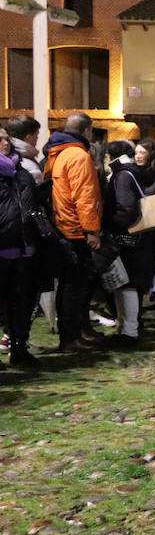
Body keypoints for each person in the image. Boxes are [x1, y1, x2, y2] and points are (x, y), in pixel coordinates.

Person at [44, 113, 104, 352]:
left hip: (62, 226)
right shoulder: (78, 155)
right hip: (75, 229)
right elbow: (85, 196)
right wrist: (91, 230)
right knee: (75, 287)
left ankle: (75, 333)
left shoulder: (56, 153)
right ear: (87, 130)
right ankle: (72, 337)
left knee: (70, 286)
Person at [0, 129, 39, 368]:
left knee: (21, 302)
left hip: (24, 246)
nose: (4, 142)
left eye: (6, 138)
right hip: (2, 246)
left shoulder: (20, 170)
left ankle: (19, 347)